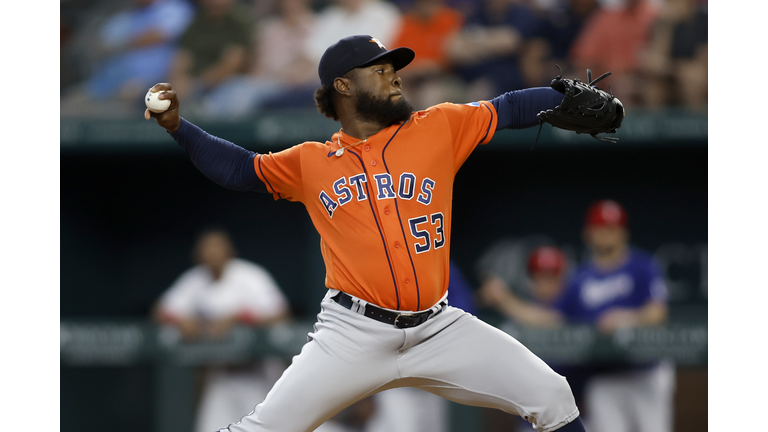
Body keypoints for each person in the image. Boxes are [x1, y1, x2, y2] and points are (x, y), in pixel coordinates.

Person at [144, 34, 593, 432]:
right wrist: (178, 128)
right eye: (380, 71)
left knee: (553, 396)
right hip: (352, 333)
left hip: (438, 327)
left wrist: (560, 97)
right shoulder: (310, 161)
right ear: (343, 85)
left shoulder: (438, 127)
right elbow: (240, 169)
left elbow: (508, 107)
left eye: (394, 70)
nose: (394, 78)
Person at [152, 228, 291, 432]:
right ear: (198, 255)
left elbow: (280, 313)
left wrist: (239, 317)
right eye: (206, 249)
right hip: (220, 375)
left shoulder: (249, 275)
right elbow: (160, 311)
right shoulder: (195, 280)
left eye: (217, 247)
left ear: (229, 251)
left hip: (258, 375)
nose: (212, 253)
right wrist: (181, 321)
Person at [61, 0, 194, 116]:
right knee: (68, 106)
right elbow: (97, 45)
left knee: (124, 103)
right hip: (105, 85)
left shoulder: (174, 7)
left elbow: (157, 36)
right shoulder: (125, 15)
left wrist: (120, 45)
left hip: (148, 84)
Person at [167, 0, 253, 116]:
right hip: (193, 83)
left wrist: (197, 84)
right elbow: (182, 58)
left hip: (227, 83)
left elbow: (232, 64)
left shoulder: (239, 22)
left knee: (232, 99)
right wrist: (179, 78)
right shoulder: (196, 22)